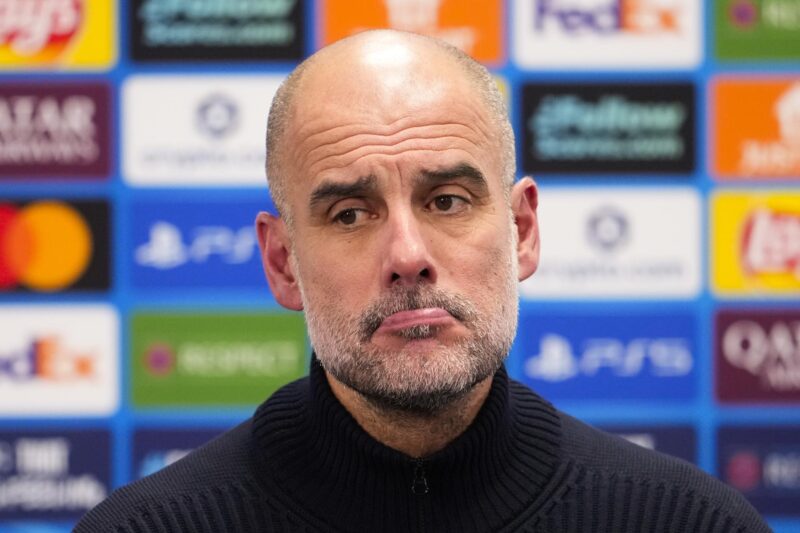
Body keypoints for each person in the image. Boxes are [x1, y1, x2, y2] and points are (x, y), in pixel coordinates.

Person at [75, 30, 771, 533]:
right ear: (282, 262)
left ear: (522, 230)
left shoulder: (688, 521)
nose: (407, 254)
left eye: (447, 201)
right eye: (350, 212)